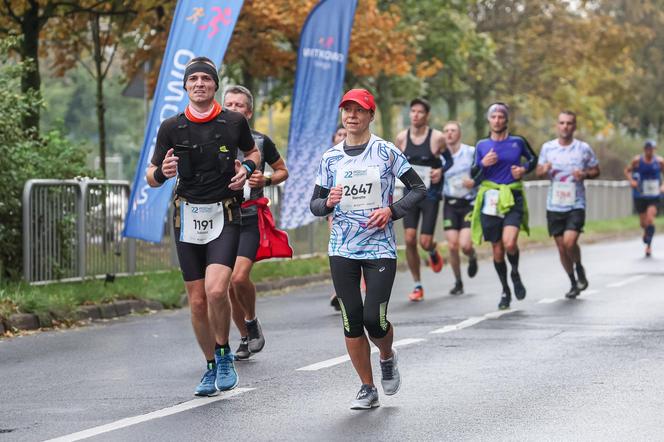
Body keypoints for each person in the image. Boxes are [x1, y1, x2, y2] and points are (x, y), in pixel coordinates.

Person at [146, 57, 260, 396]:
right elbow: (152, 177)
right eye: (193, 79)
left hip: (224, 214)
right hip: (187, 217)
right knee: (197, 302)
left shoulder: (233, 121)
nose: (199, 84)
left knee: (215, 290)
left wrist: (247, 169)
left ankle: (224, 353)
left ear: (215, 86)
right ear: (185, 86)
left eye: (206, 79)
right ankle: (211, 365)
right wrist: (162, 173)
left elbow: (253, 152)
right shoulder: (171, 127)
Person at [310, 89, 426, 409]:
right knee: (352, 319)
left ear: (370, 115)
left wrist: (392, 211)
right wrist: (327, 202)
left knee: (374, 318)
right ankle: (366, 387)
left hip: (380, 246)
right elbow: (315, 205)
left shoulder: (386, 152)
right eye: (347, 110)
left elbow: (419, 189)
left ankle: (387, 356)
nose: (352, 116)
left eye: (359, 110)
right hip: (342, 247)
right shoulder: (330, 157)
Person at [222, 85, 289, 360]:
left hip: (249, 217)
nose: (234, 109)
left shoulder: (260, 142)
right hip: (221, 218)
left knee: (239, 278)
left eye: (239, 105)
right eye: (229, 105)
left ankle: (251, 319)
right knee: (225, 285)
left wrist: (267, 179)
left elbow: (283, 170)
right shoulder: (212, 140)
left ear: (248, 112)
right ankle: (244, 336)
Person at [470, 102, 537, 310]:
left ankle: (515, 272)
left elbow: (533, 159)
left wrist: (524, 169)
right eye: (494, 117)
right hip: (490, 199)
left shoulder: (517, 142)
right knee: (497, 250)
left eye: (501, 116)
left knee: (509, 243)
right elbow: (473, 175)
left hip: (512, 196)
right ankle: (505, 289)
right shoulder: (481, 145)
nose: (497, 120)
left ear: (506, 119)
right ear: (489, 120)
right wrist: (483, 164)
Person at [395, 98, 453, 302]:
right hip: (410, 194)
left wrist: (440, 171)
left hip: (430, 195)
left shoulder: (437, 137)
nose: (416, 115)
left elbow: (449, 160)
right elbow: (396, 163)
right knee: (410, 239)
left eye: (420, 112)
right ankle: (417, 284)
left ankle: (432, 250)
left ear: (427, 115)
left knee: (424, 241)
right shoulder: (402, 137)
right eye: (413, 111)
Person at [536, 111, 599, 298]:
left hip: (576, 203)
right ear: (557, 125)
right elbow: (538, 171)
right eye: (562, 123)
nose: (565, 126)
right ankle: (573, 282)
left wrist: (585, 174)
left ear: (574, 126)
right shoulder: (548, 148)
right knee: (561, 247)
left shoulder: (583, 148)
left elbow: (596, 169)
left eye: (569, 123)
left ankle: (579, 268)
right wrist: (543, 169)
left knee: (570, 242)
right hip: (554, 204)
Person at [441, 121, 478, 295]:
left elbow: (481, 171)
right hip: (450, 203)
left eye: (453, 130)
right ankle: (458, 282)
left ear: (459, 134)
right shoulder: (440, 157)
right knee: (452, 246)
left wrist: (474, 182)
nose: (449, 134)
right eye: (446, 131)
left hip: (468, 203)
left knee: (465, 245)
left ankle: (471, 255)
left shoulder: (470, 152)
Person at [624, 140, 664, 257]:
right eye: (647, 148)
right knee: (643, 223)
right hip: (640, 194)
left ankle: (648, 247)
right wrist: (631, 181)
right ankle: (646, 231)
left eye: (651, 148)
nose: (649, 150)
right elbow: (627, 170)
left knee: (650, 219)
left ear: (654, 149)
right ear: (644, 149)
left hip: (654, 195)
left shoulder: (659, 162)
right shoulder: (637, 160)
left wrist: (662, 186)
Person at [329, 125, 347, 312]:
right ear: (334, 138)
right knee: (338, 248)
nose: (342, 137)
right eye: (339, 134)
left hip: (359, 214)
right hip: (335, 212)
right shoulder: (330, 158)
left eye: (345, 134)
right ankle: (339, 290)